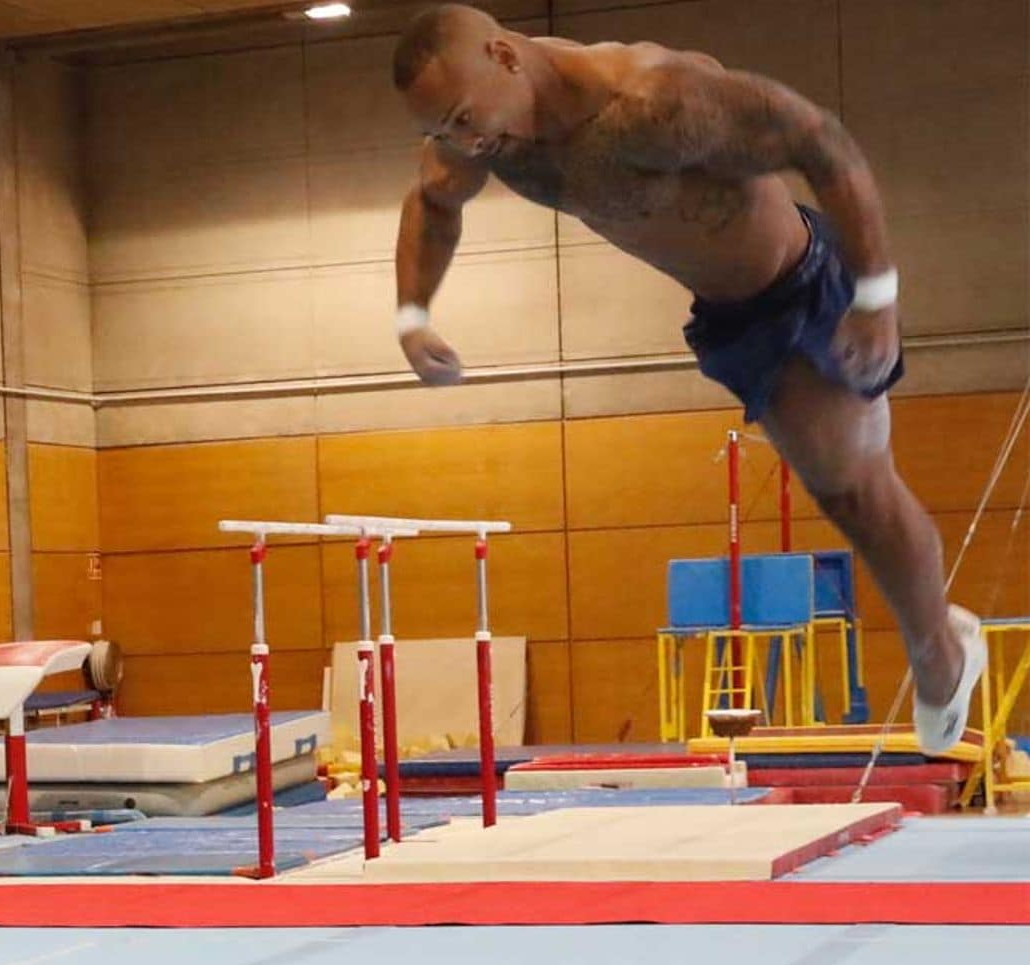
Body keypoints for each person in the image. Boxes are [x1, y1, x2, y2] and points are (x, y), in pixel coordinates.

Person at [388, 4, 983, 752]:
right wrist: (413, 316)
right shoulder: (483, 138)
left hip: (803, 288)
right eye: (442, 129)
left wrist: (876, 296)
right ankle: (940, 641)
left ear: (506, 57)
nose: (463, 141)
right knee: (844, 491)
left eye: (464, 119)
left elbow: (821, 140)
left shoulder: (652, 99)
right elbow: (433, 203)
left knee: (856, 494)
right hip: (728, 316)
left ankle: (942, 656)